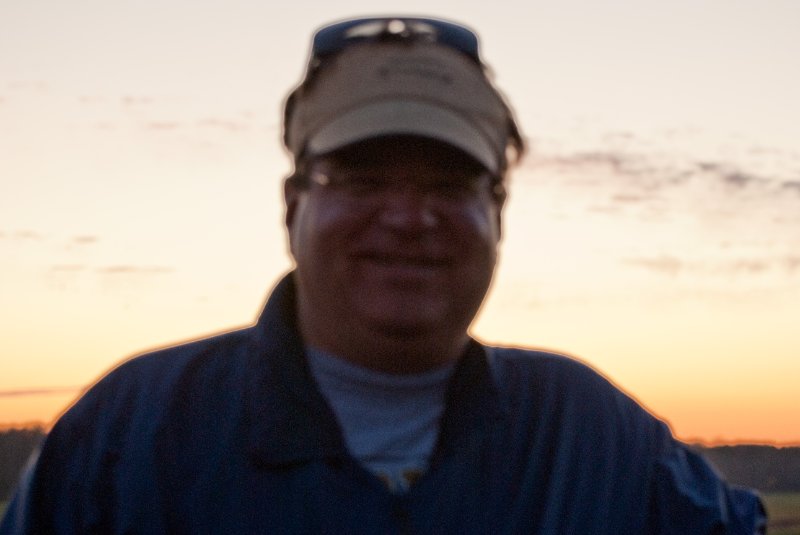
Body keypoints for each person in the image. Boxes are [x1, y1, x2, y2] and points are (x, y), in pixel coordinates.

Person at [1, 16, 766, 534]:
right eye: (362, 179)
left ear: (498, 215)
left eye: (449, 183)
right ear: (291, 205)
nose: (408, 216)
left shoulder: (594, 437)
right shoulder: (131, 435)